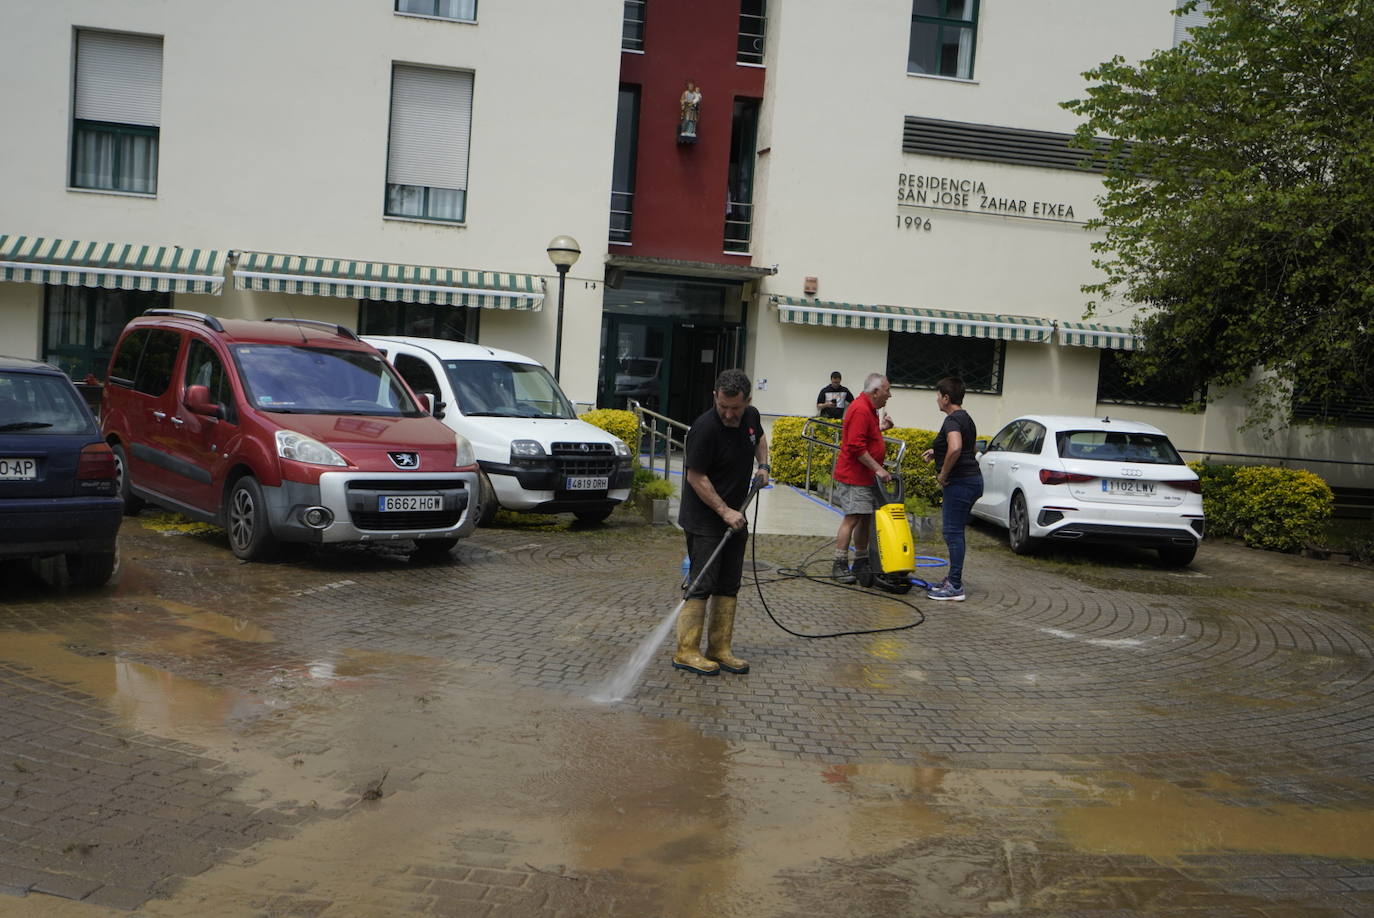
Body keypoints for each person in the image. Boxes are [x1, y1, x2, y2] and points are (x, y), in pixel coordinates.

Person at [674, 368, 770, 676]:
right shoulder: (705, 429)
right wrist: (724, 511)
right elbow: (695, 476)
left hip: (736, 515)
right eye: (723, 406)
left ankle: (719, 648)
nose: (729, 414)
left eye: (735, 408)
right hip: (704, 518)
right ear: (715, 396)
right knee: (702, 583)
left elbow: (760, 438)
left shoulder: (751, 416)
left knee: (729, 583)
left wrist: (764, 465)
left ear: (747, 402)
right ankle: (686, 651)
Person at [920, 377, 983, 601]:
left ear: (946, 398)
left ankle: (955, 586)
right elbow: (970, 448)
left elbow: (956, 448)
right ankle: (953, 579)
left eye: (938, 395)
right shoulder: (966, 418)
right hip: (972, 480)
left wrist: (943, 474)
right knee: (955, 531)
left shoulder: (951, 420)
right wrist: (936, 452)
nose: (937, 399)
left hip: (960, 483)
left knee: (953, 532)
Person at [831, 373, 895, 584]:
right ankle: (839, 564)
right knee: (852, 518)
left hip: (864, 477)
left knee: (864, 517)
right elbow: (856, 446)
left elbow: (864, 435)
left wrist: (881, 429)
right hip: (854, 476)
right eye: (887, 390)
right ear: (876, 391)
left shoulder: (870, 409)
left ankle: (860, 561)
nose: (889, 395)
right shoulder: (860, 409)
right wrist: (879, 469)